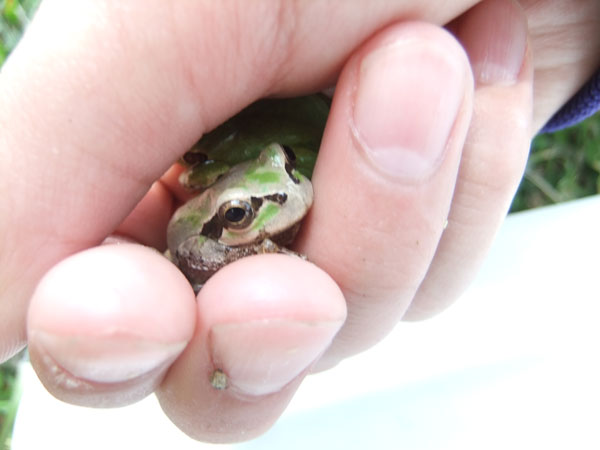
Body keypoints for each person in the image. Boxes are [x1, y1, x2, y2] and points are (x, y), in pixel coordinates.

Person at [0, 0, 598, 443]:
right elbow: (189, 244)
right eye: (240, 209)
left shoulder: (273, 167)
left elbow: (275, 179)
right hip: (196, 248)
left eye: (285, 166)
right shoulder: (201, 223)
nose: (291, 188)